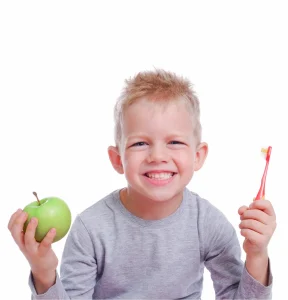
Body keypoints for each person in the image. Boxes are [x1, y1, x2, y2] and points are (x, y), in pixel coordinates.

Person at [8, 69, 276, 299]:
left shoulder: (209, 224)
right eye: (140, 143)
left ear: (198, 156)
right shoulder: (91, 229)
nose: (158, 156)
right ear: (117, 159)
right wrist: (43, 274)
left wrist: (257, 255)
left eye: (175, 142)